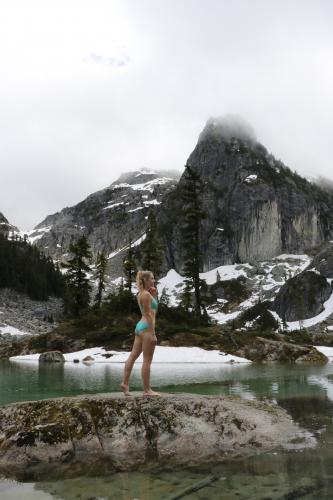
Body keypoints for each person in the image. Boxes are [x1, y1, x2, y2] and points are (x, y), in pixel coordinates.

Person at [120, 270, 161, 397]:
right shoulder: (146, 295)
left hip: (139, 327)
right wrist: (152, 332)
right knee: (147, 360)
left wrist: (155, 296)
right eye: (152, 279)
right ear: (147, 280)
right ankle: (147, 390)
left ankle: (125, 384)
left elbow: (153, 310)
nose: (154, 281)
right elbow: (149, 314)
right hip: (147, 328)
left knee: (133, 356)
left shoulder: (141, 294)